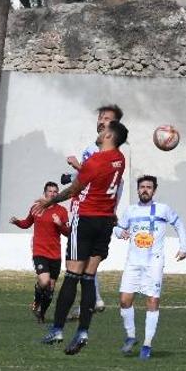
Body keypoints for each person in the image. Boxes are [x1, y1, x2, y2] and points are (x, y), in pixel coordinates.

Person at [32, 119, 128, 353]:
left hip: (85, 221)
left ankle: (56, 330)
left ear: (109, 136)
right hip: (105, 223)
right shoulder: (120, 160)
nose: (99, 130)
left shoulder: (95, 162)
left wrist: (49, 201)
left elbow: (73, 190)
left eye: (103, 129)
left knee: (73, 276)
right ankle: (83, 332)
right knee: (88, 278)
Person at [114, 175, 186, 359]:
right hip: (133, 262)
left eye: (148, 187)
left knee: (152, 301)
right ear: (138, 190)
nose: (145, 190)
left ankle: (147, 343)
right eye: (142, 187)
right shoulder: (130, 211)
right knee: (124, 301)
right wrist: (119, 232)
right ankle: (131, 337)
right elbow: (117, 228)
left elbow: (179, 224)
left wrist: (183, 247)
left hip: (153, 262)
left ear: (154, 190)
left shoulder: (163, 209)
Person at [65, 104, 126, 317]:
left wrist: (77, 167)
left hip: (89, 212)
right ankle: (92, 299)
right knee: (88, 260)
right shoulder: (114, 153)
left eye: (107, 118)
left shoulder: (100, 151)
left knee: (78, 262)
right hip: (95, 210)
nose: (101, 121)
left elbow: (98, 178)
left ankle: (87, 303)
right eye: (100, 117)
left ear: (114, 126)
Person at [10, 181, 71, 324]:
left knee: (50, 288)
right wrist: (17, 222)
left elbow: (68, 233)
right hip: (40, 252)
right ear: (45, 193)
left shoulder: (61, 211)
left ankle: (41, 314)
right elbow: (27, 223)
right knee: (44, 281)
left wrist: (59, 224)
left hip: (55, 254)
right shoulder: (36, 208)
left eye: (55, 192)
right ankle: (37, 301)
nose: (53, 194)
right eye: (50, 191)